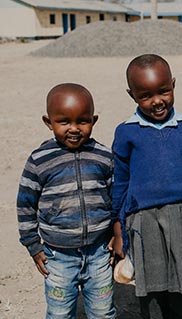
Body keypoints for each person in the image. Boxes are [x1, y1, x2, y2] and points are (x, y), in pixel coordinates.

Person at [111, 54, 182, 319]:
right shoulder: (127, 132)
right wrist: (118, 229)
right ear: (132, 95)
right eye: (146, 96)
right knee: (151, 286)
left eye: (163, 91)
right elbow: (121, 182)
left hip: (180, 215)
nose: (157, 101)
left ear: (173, 84)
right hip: (141, 220)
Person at [16, 83, 116, 318]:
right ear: (48, 122)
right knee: (59, 314)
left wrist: (116, 234)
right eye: (64, 122)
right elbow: (25, 205)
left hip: (99, 252)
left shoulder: (103, 156)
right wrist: (32, 244)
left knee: (103, 313)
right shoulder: (39, 161)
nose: (74, 129)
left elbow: (115, 198)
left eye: (82, 121)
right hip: (57, 256)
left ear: (94, 119)